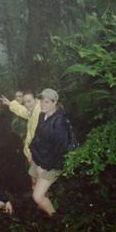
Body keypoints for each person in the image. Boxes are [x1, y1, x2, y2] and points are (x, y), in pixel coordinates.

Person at [28, 88, 70, 216]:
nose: (42, 104)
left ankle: (54, 217)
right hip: (39, 158)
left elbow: (60, 149)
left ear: (54, 102)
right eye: (41, 101)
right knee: (33, 179)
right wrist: (32, 153)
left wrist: (45, 167)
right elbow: (37, 136)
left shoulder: (59, 121)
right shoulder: (42, 115)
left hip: (52, 164)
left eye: (46, 102)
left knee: (37, 196)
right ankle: (43, 209)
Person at [0, 90, 41, 166]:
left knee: (36, 176)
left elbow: (34, 136)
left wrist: (31, 154)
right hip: (27, 150)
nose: (27, 104)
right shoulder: (32, 111)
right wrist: (10, 103)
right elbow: (24, 111)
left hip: (36, 153)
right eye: (25, 102)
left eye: (29, 101)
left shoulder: (38, 112)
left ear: (35, 99)